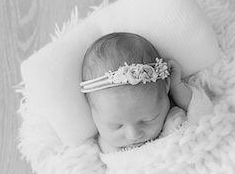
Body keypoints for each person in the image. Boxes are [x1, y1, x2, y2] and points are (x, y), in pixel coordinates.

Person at [80, 32, 212, 153]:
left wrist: (176, 86)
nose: (133, 135)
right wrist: (168, 134)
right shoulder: (108, 148)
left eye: (147, 120)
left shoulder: (173, 110)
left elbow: (204, 114)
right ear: (93, 113)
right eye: (116, 126)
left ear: (166, 88)